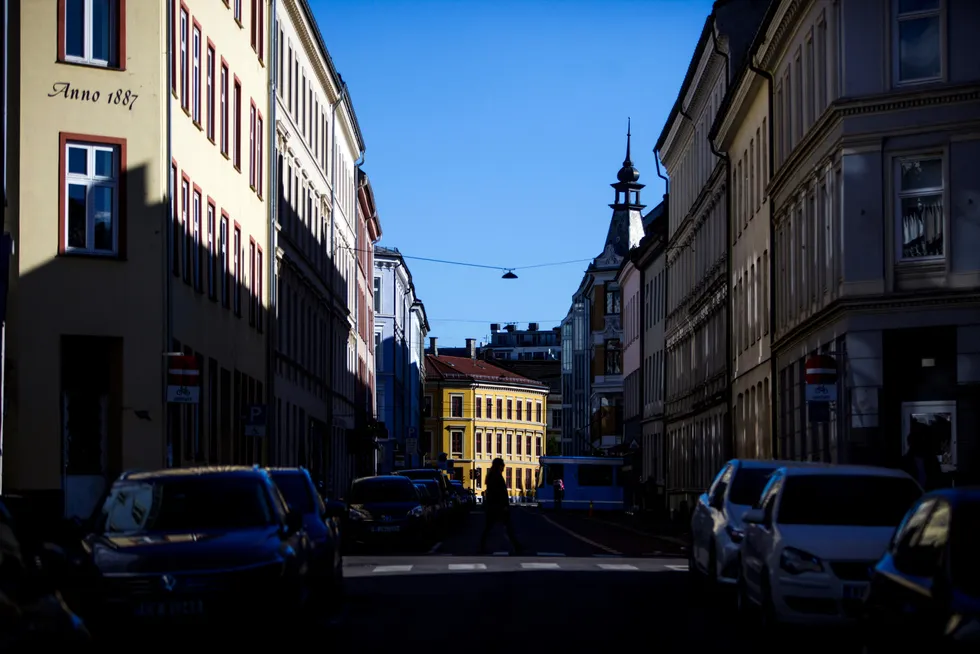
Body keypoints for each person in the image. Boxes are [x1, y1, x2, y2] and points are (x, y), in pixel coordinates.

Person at [479, 458, 523, 555]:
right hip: (498, 507)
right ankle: (516, 546)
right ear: (499, 466)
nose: (503, 467)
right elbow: (500, 493)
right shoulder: (496, 477)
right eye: (502, 465)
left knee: (491, 527)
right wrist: (504, 505)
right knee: (506, 527)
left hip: (493, 507)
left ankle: (482, 547)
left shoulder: (491, 476)